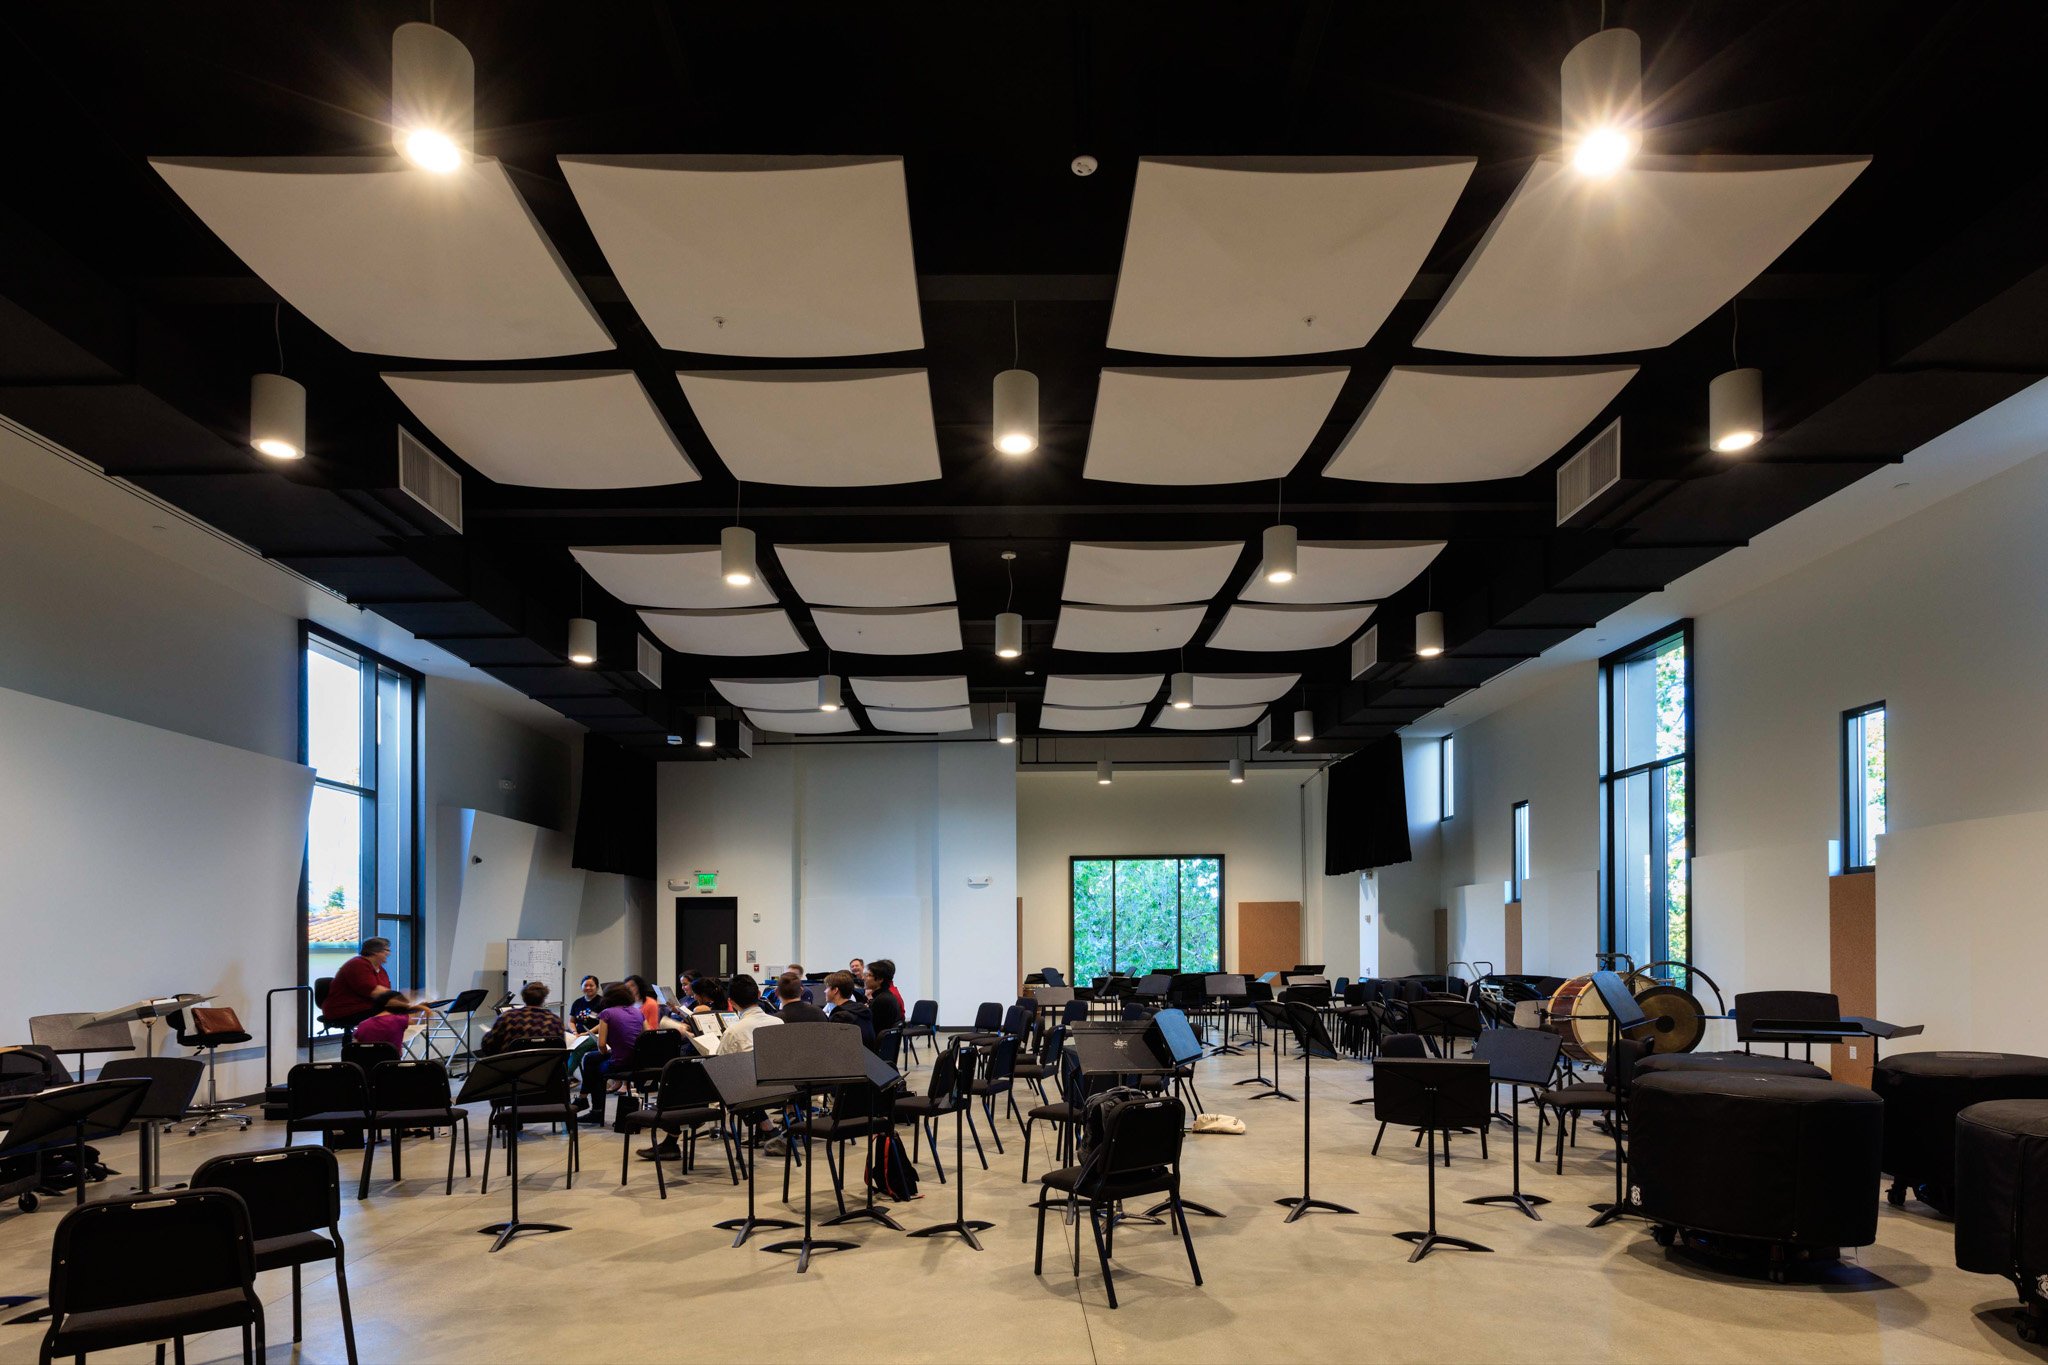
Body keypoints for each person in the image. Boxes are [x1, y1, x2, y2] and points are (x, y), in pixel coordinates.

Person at [578, 984, 645, 1126]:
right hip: (638, 1060)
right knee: (591, 1058)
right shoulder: (638, 1012)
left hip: (621, 1062)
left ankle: (594, 1109)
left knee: (594, 1068)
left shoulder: (607, 1013)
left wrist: (606, 1053)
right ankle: (583, 1099)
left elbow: (601, 1045)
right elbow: (647, 1035)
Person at [323, 936, 396, 1033]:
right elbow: (374, 991)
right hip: (346, 1010)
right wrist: (404, 1000)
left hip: (366, 1007)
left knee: (398, 1013)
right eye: (386, 950)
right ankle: (379, 1045)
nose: (388, 953)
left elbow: (385, 992)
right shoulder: (357, 965)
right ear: (375, 951)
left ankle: (386, 1045)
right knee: (395, 1015)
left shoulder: (381, 970)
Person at [480, 980, 566, 1055]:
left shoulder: (508, 1017)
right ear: (543, 999)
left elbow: (488, 1046)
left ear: (523, 998)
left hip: (511, 1069)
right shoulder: (555, 1021)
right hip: (546, 1071)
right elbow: (562, 1050)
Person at [350, 990, 414, 1049]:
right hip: (391, 1060)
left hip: (364, 1061)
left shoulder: (362, 1025)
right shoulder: (399, 1020)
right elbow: (414, 1020)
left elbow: (355, 1047)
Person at [821, 971, 873, 1045]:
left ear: (835, 990)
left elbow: (832, 1045)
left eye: (827, 988)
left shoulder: (840, 1017)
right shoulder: (861, 1009)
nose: (824, 991)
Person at [866, 960, 904, 1037]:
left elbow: (872, 1028)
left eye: (869, 975)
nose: (864, 978)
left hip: (876, 1045)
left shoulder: (882, 999)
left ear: (880, 979)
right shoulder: (884, 996)